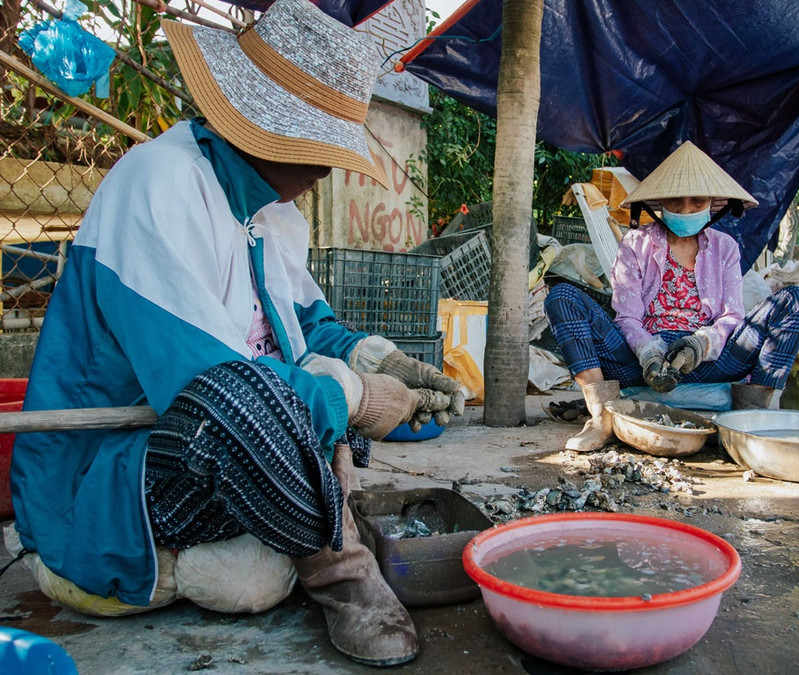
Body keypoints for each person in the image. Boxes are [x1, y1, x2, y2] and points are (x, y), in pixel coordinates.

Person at [9, 0, 463, 667]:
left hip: (202, 472)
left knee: (300, 422)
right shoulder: (158, 184)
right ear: (258, 123)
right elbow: (213, 391)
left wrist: (380, 360)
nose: (328, 170)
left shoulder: (276, 214)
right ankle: (338, 569)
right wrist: (354, 395)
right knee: (251, 404)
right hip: (108, 487)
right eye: (317, 145)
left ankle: (292, 534)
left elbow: (305, 326)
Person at [544, 141, 799, 452]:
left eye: (697, 201)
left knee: (795, 301)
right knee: (561, 296)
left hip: (711, 362)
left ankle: (752, 418)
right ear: (660, 203)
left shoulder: (724, 248)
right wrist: (648, 351)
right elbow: (627, 317)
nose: (685, 210)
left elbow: (731, 317)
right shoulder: (636, 244)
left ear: (713, 203)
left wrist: (702, 343)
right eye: (675, 201)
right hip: (638, 363)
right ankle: (601, 416)